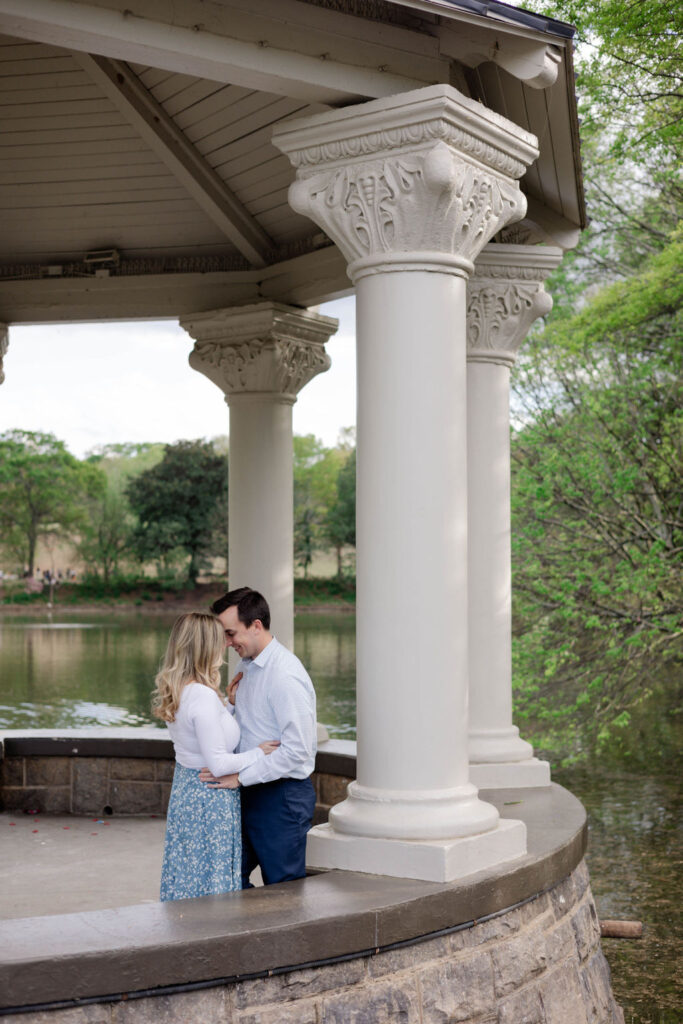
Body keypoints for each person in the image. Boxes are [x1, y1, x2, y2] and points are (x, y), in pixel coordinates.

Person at [152, 612, 279, 901]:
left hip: (188, 790)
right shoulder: (203, 697)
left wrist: (229, 707)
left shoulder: (181, 690)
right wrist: (258, 754)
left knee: (189, 874)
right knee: (211, 879)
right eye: (219, 640)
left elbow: (202, 739)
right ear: (204, 647)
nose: (225, 646)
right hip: (209, 798)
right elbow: (219, 764)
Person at [200, 587, 317, 887]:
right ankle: (248, 932)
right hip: (250, 790)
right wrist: (232, 704)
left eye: (230, 633)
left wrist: (240, 777)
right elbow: (247, 729)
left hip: (282, 796)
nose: (226, 643)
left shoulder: (285, 675)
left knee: (283, 891)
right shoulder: (246, 666)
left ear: (255, 626)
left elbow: (297, 751)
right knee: (226, 879)